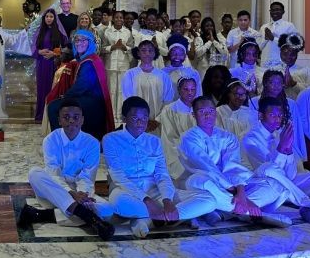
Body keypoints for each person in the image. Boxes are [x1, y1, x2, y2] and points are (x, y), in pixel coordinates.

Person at [104, 96, 217, 237]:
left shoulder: (154, 141)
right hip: (126, 191)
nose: (141, 123)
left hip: (155, 191)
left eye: (144, 118)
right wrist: (147, 201)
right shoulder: (110, 139)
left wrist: (167, 200)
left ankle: (149, 221)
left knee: (209, 200)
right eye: (135, 118)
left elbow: (162, 175)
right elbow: (118, 177)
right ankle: (177, 217)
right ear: (124, 118)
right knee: (119, 204)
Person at [178, 96, 292, 227]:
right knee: (202, 181)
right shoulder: (188, 138)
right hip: (204, 183)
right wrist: (240, 196)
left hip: (229, 186)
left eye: (211, 111)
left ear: (216, 112)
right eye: (202, 112)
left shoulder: (227, 137)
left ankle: (224, 212)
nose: (207, 115)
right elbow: (207, 167)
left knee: (274, 185)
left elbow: (233, 167)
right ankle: (254, 213)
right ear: (193, 114)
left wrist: (241, 192)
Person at [242, 97, 310, 225]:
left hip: (290, 184)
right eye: (272, 115)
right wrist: (282, 149)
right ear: (261, 115)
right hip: (270, 187)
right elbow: (269, 173)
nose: (277, 119)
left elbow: (291, 174)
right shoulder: (250, 139)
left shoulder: (280, 134)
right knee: (269, 169)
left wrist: (287, 150)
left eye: (280, 115)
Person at [18, 98, 115, 240]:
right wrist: (70, 193)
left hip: (80, 192)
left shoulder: (92, 143)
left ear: (82, 120)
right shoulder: (50, 140)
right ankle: (89, 217)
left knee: (107, 210)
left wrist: (81, 194)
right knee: (35, 173)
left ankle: (40, 214)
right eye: (66, 117)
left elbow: (87, 177)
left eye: (75, 117)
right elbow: (53, 173)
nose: (71, 121)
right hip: (53, 191)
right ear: (59, 120)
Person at [47, 29, 114, 140]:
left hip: (92, 103)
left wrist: (66, 96)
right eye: (77, 40)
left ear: (90, 43)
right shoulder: (89, 58)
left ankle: (60, 140)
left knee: (54, 107)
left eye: (84, 40)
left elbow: (82, 86)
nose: (79, 43)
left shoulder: (89, 62)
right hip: (89, 99)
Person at [158, 76, 211, 180]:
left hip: (199, 151)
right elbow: (169, 137)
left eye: (192, 89)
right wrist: (188, 150)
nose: (190, 93)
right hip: (179, 152)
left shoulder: (200, 109)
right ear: (179, 90)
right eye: (186, 89)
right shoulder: (170, 110)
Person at [252, 69, 307, 160]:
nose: (276, 86)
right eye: (272, 82)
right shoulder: (254, 102)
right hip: (262, 142)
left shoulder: (291, 104)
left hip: (287, 144)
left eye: (279, 83)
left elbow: (297, 129)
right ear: (265, 83)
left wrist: (303, 155)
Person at [120, 40, 174, 128]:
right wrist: (141, 119)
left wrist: (157, 120)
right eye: (143, 50)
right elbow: (127, 98)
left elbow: (168, 100)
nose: (147, 53)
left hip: (158, 123)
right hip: (136, 122)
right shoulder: (130, 74)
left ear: (154, 53)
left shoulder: (163, 76)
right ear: (138, 53)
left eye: (150, 50)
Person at [32, 8, 68, 122]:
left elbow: (66, 48)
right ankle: (40, 115)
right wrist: (39, 52)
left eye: (51, 16)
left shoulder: (59, 32)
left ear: (54, 18)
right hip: (42, 64)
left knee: (53, 89)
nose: (49, 18)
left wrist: (54, 53)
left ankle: (52, 116)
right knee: (42, 88)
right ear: (44, 18)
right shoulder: (39, 31)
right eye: (47, 16)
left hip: (54, 64)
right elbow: (33, 47)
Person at [259, 32, 310, 100]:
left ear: (297, 55)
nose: (289, 56)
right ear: (280, 53)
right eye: (285, 53)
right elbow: (263, 92)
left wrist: (294, 84)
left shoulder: (307, 71)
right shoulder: (272, 71)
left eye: (292, 54)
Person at [102, 10, 134, 115]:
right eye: (116, 17)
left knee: (121, 91)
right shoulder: (107, 31)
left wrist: (124, 47)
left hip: (123, 65)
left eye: (121, 17)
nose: (119, 19)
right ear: (113, 19)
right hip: (110, 65)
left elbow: (132, 48)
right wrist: (113, 47)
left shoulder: (127, 32)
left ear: (123, 19)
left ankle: (120, 115)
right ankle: (111, 115)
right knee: (111, 91)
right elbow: (102, 48)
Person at [258, 2, 297, 67]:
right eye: (272, 10)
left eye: (277, 9)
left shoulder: (289, 26)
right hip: (265, 63)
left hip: (281, 63)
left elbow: (292, 46)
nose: (275, 12)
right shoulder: (264, 27)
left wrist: (274, 39)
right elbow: (259, 47)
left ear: (283, 12)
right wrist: (265, 39)